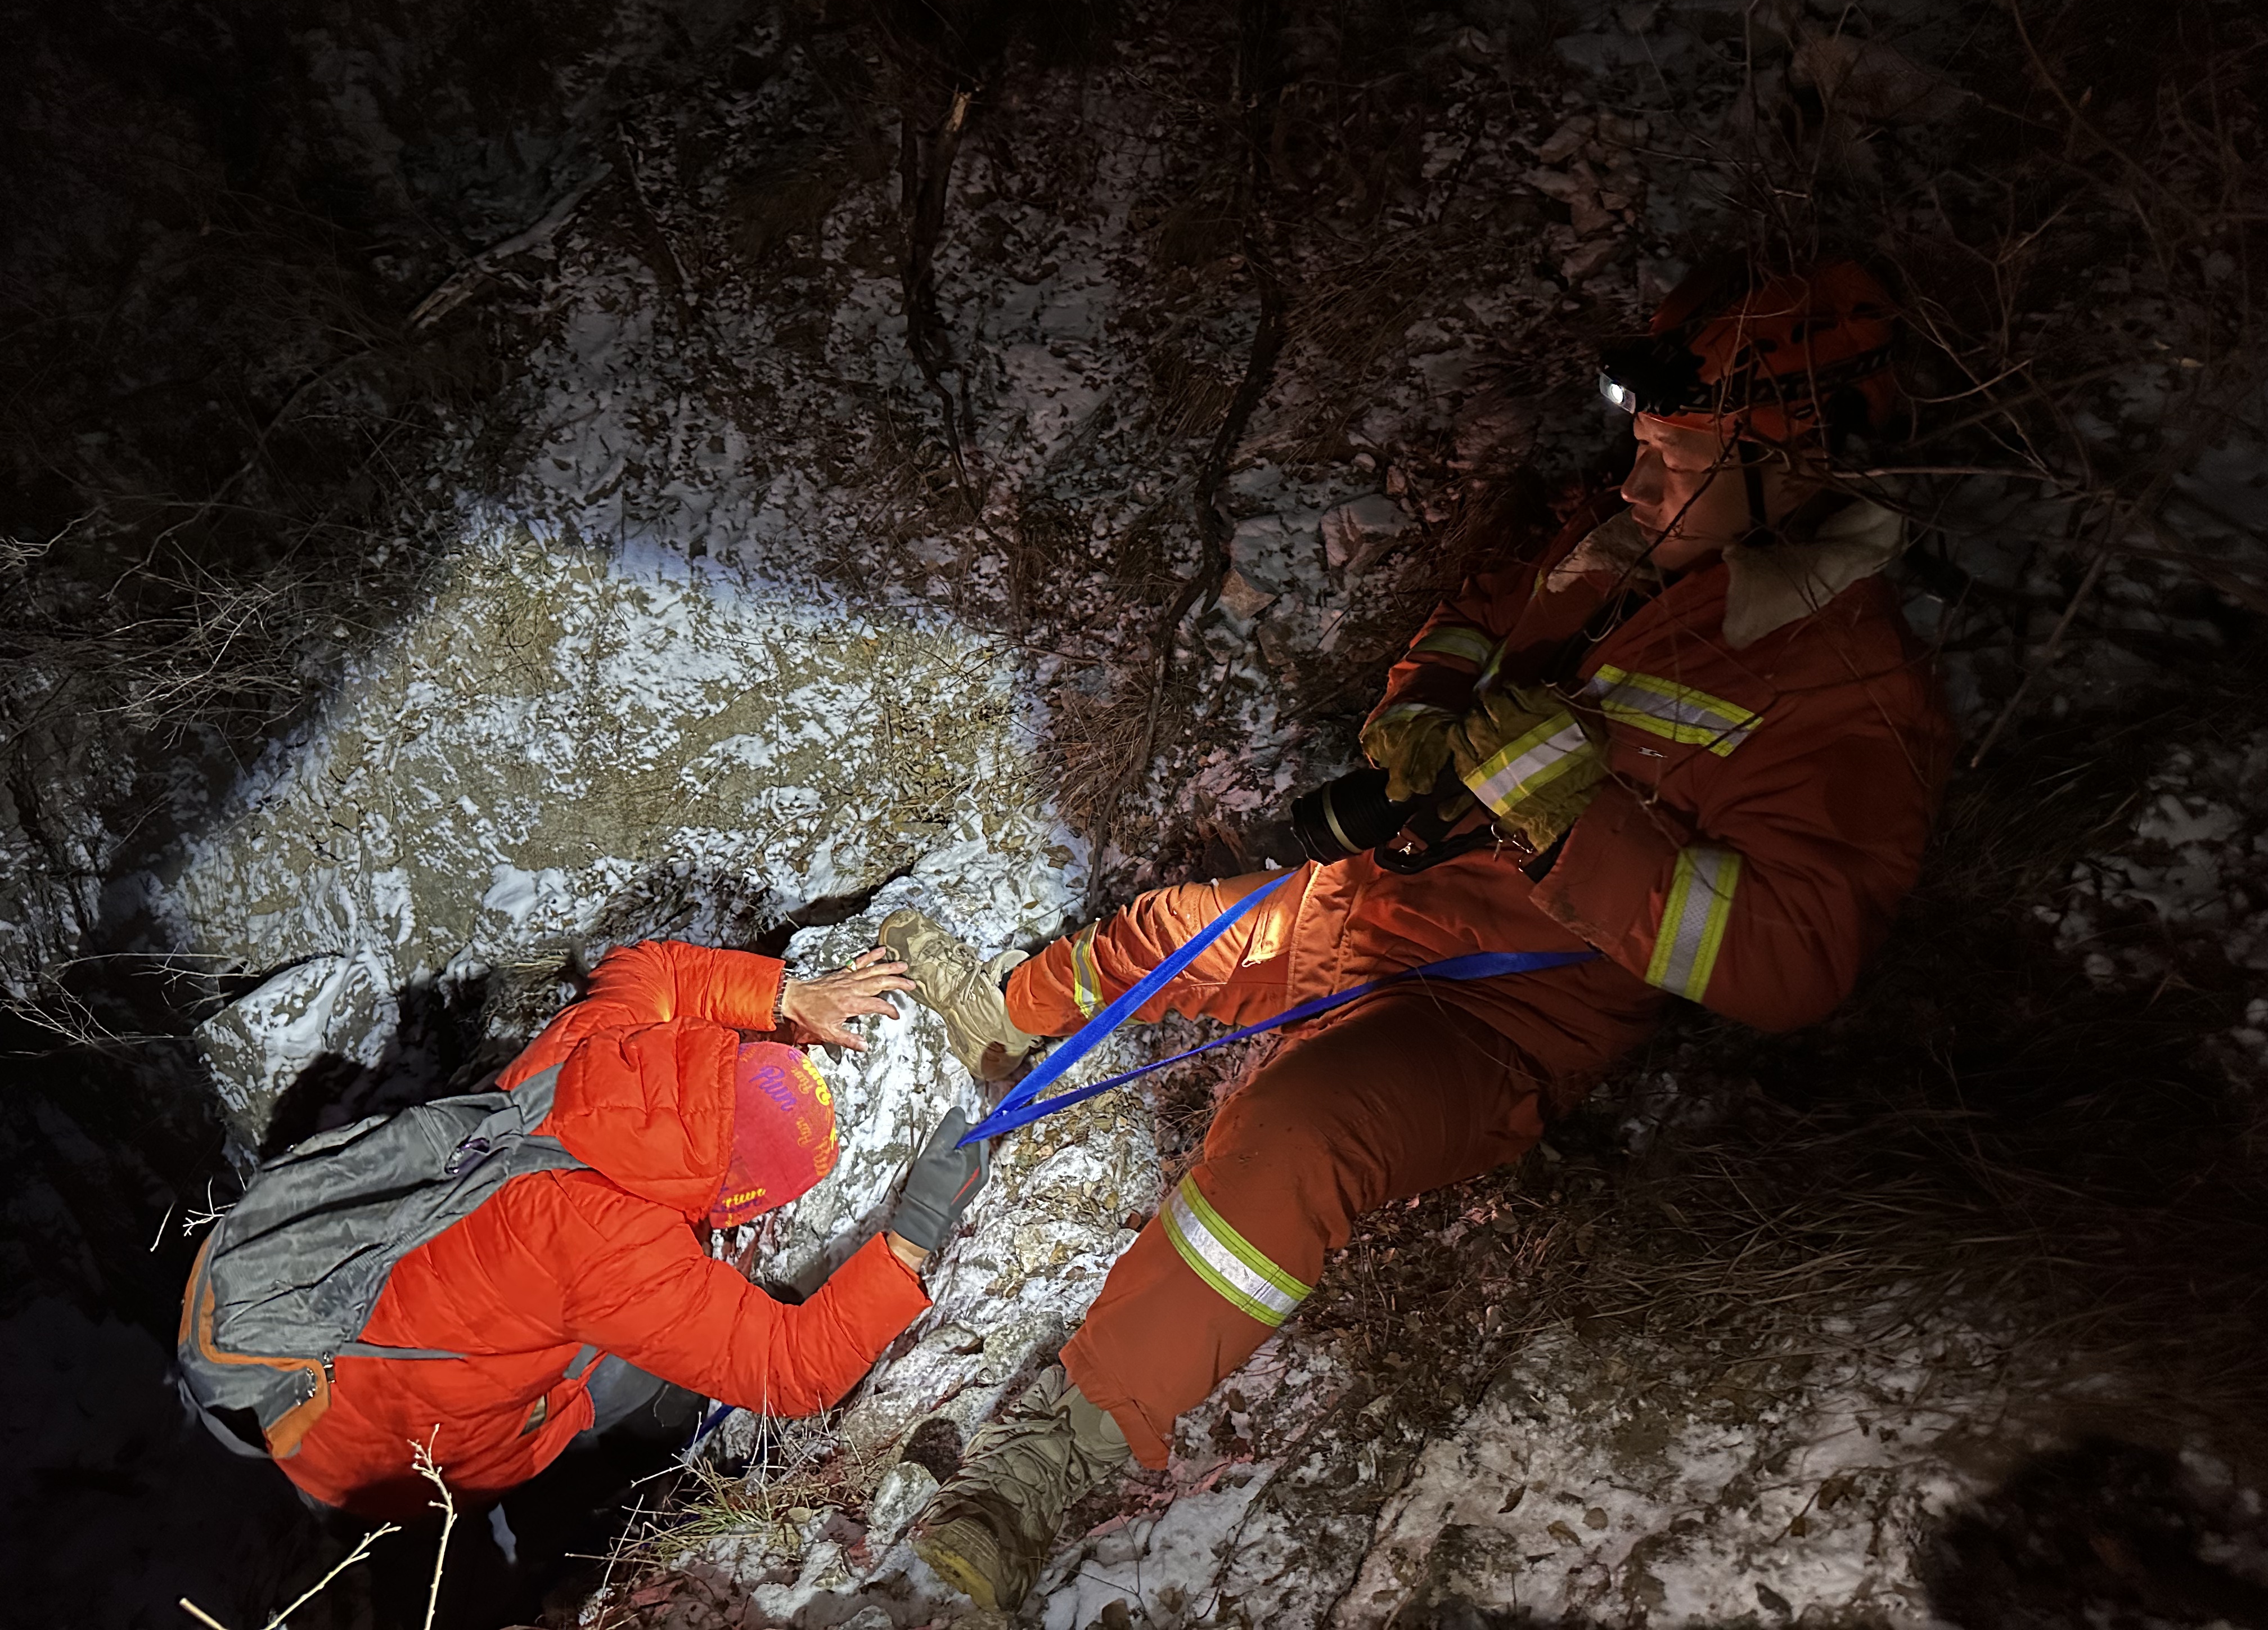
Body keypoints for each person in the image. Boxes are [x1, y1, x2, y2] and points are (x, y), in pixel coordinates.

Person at [879, 259, 1954, 1609]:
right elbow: (1467, 624)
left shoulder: (1846, 693)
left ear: (1790, 464)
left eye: (1672, 458)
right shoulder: (1616, 551)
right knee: (1159, 934)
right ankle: (1004, 1026)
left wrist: (1577, 826)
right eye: (1640, 450)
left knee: (1297, 1133)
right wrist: (1419, 705)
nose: (1633, 484)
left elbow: (1799, 961)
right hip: (1365, 901)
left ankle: (1040, 1470)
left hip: (1492, 1016)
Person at [261, 938, 982, 1519]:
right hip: (374, 1458)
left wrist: (787, 996)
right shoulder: (623, 1258)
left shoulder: (599, 1043)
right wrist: (912, 1235)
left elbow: (648, 965)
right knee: (656, 1391)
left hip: (304, 1333)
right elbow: (794, 1372)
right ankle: (562, 1525)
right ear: (742, 1194)